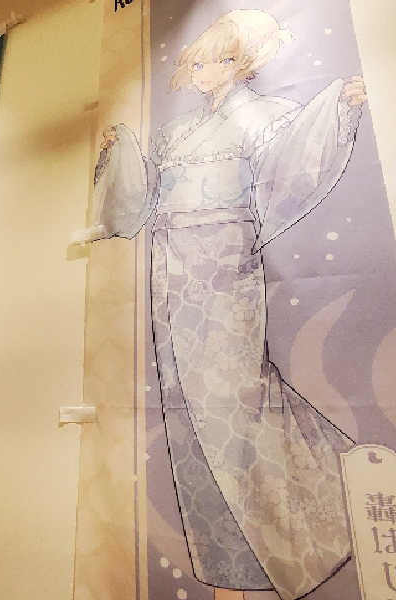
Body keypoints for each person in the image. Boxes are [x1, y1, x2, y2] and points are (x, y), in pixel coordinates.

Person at [79, 10, 368, 600]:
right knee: (185, 403)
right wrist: (122, 148)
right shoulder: (176, 134)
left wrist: (337, 103)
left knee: (236, 395)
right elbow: (140, 202)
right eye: (199, 60)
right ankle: (234, 560)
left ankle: (317, 522)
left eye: (218, 59)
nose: (202, 70)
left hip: (224, 261)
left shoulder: (263, 116)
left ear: (243, 64)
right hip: (170, 266)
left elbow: (294, 163)